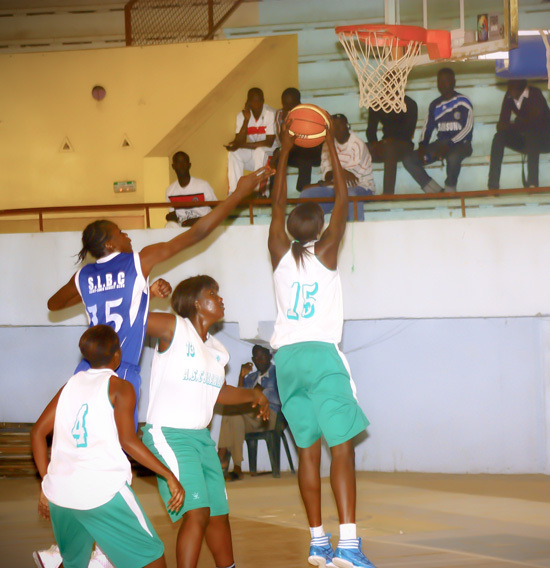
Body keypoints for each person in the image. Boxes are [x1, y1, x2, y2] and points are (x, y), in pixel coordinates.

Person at [47, 167, 272, 428]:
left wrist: (109, 292)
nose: (126, 235)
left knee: (85, 438)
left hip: (87, 368)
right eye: (120, 233)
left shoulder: (84, 276)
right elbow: (196, 234)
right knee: (119, 446)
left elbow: (54, 304)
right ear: (109, 244)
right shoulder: (138, 260)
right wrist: (237, 195)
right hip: (122, 369)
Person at [268, 118, 375, 568]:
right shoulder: (327, 251)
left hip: (286, 361)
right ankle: (347, 546)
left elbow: (275, 203)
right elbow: (343, 197)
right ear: (319, 228)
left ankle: (317, 542)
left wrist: (288, 151)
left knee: (307, 453)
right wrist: (330, 145)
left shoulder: (278, 251)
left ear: (291, 228)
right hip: (319, 354)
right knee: (342, 448)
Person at [31, 325, 185, 568]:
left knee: (73, 561)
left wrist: (46, 481)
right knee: (153, 559)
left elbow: (38, 432)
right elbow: (129, 441)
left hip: (61, 494)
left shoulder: (69, 386)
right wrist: (168, 474)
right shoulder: (121, 388)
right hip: (103, 492)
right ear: (117, 355)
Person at [142, 276, 270, 568]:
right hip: (169, 436)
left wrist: (254, 393)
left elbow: (219, 392)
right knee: (196, 513)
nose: (220, 298)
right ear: (196, 303)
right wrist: (148, 294)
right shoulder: (173, 328)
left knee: (217, 514)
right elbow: (132, 319)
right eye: (213, 293)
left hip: (201, 440)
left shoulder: (217, 349)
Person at [402, 67, 473, 193]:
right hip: (441, 144)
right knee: (408, 159)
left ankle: (450, 189)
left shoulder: (463, 101)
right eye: (440, 81)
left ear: (453, 82)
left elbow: (467, 129)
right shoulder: (435, 105)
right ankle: (435, 191)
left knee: (453, 157)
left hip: (462, 144)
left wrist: (450, 144)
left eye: (446, 81)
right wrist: (423, 146)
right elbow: (427, 128)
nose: (443, 84)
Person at [217, 344, 281, 480]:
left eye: (262, 356)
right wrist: (241, 377)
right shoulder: (251, 378)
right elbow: (238, 399)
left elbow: (274, 397)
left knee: (232, 411)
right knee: (233, 415)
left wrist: (256, 393)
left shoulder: (277, 373)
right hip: (250, 417)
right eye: (256, 357)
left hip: (269, 416)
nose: (259, 360)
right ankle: (237, 467)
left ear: (270, 356)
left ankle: (221, 455)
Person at [301, 114, 376, 222]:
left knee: (349, 193)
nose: (336, 130)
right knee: (306, 194)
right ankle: (307, 232)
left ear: (347, 126)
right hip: (335, 187)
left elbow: (350, 179)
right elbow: (328, 175)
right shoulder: (328, 144)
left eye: (339, 126)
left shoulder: (358, 144)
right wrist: (340, 173)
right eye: (333, 127)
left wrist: (334, 176)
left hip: (362, 187)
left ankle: (355, 231)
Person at [488, 79, 550, 189]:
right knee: (499, 137)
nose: (510, 85)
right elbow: (501, 124)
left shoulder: (535, 94)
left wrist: (514, 124)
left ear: (523, 83)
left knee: (532, 135)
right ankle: (493, 185)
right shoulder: (509, 96)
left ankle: (533, 184)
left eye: (514, 82)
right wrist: (517, 124)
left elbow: (535, 124)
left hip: (544, 139)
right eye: (509, 83)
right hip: (525, 139)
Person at [225, 87, 276, 194]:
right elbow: (239, 141)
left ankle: (260, 192)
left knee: (260, 151)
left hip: (271, 154)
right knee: (234, 152)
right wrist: (246, 120)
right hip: (254, 154)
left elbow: (269, 142)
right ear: (248, 103)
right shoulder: (241, 116)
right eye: (253, 101)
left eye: (259, 101)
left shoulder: (270, 114)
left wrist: (243, 145)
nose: (257, 104)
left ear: (263, 101)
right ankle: (234, 192)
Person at [272, 87, 322, 191]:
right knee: (277, 156)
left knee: (304, 156)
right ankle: (274, 193)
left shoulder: (307, 114)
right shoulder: (279, 115)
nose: (288, 108)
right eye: (285, 105)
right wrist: (285, 122)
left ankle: (303, 190)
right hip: (291, 150)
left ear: (299, 103)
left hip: (310, 150)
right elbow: (282, 141)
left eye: (291, 105)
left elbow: (307, 141)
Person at [366, 94, 418, 195]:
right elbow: (370, 131)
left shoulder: (409, 103)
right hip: (384, 144)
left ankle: (388, 193)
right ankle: (360, 189)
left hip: (404, 145)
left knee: (390, 149)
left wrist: (389, 142)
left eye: (395, 79)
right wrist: (375, 144)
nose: (392, 82)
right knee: (359, 147)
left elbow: (408, 132)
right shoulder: (377, 103)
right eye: (388, 79)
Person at [165, 151, 218, 227]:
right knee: (169, 225)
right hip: (182, 228)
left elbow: (217, 208)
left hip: (203, 226)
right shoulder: (170, 191)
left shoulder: (202, 185)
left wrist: (199, 221)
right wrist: (170, 217)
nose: (181, 166)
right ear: (173, 166)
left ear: (189, 165)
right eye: (178, 163)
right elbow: (173, 215)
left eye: (184, 162)